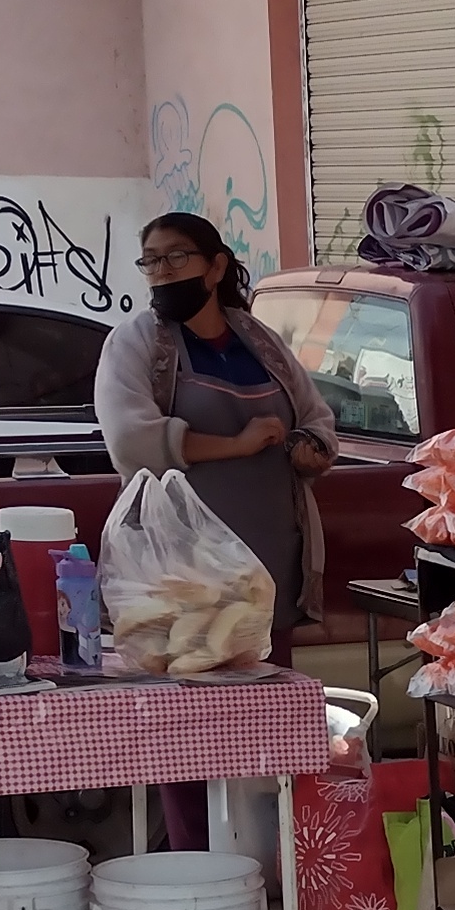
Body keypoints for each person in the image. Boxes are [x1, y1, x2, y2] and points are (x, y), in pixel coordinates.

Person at [93, 211, 336, 668]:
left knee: (267, 692)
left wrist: (310, 447)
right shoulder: (135, 342)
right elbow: (129, 442)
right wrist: (236, 445)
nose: (162, 271)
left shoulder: (259, 341)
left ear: (216, 267)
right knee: (185, 697)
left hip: (267, 557)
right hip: (178, 568)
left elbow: (316, 416)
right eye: (151, 261)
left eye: (177, 257)